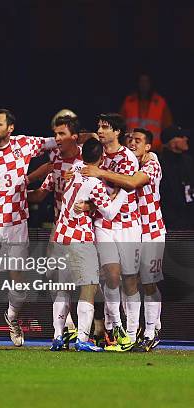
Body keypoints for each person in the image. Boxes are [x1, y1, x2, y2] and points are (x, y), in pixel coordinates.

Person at [0, 108, 58, 350]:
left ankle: (12, 317)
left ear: (10, 128)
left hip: (17, 221)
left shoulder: (24, 144)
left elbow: (58, 141)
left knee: (19, 283)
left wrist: (87, 136)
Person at [81, 128, 164, 352]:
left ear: (148, 147)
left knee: (148, 282)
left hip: (152, 230)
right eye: (131, 140)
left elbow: (132, 183)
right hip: (134, 229)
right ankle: (122, 330)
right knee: (125, 279)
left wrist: (99, 172)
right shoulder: (125, 163)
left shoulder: (151, 165)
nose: (133, 144)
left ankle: (150, 331)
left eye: (138, 141)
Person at [54, 138, 126, 352]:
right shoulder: (94, 182)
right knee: (89, 287)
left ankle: (58, 337)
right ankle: (83, 339)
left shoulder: (73, 168)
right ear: (102, 157)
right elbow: (110, 213)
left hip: (60, 234)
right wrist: (124, 190)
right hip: (79, 237)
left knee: (63, 288)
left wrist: (90, 205)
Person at [27, 115, 82, 350]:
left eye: (61, 134)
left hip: (86, 231)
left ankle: (100, 330)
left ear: (74, 137)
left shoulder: (88, 159)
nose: (56, 139)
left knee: (92, 283)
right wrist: (14, 191)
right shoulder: (57, 161)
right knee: (56, 278)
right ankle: (64, 330)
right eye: (55, 134)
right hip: (60, 228)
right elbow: (40, 194)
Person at [94, 113, 141, 351]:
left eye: (105, 127)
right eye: (99, 127)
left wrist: (102, 176)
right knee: (111, 276)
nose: (100, 131)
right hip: (103, 223)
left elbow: (126, 183)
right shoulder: (96, 154)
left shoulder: (128, 157)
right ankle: (116, 329)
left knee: (130, 279)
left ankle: (132, 334)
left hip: (128, 223)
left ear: (117, 132)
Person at [120, 72, 172, 151]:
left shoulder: (160, 102)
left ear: (151, 83)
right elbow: (120, 126)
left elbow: (168, 127)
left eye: (146, 81)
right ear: (137, 83)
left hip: (154, 149)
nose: (143, 84)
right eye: (141, 81)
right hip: (131, 149)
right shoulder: (129, 101)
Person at [158, 125, 194, 230]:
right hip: (170, 223)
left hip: (189, 221)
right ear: (172, 141)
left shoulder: (188, 161)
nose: (186, 139)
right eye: (182, 136)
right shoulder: (159, 163)